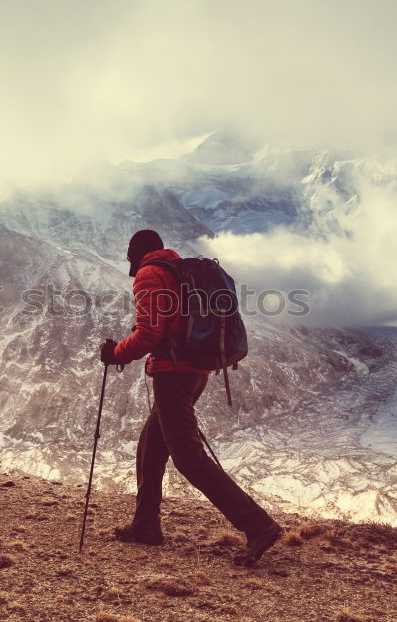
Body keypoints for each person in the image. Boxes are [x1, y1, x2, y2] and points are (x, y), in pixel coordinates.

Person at [100, 229, 282, 567]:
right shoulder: (180, 271)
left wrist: (116, 353)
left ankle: (259, 525)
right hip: (197, 371)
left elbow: (149, 333)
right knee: (151, 445)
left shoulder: (149, 275)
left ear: (135, 254)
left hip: (173, 373)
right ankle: (146, 525)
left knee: (188, 458)